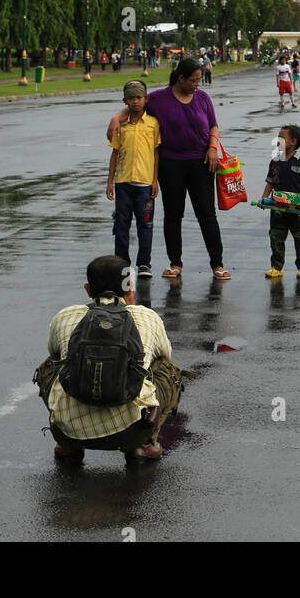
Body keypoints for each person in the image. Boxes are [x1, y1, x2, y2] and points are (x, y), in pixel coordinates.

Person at [35, 255, 187, 464]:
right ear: (129, 287)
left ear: (88, 289)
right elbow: (165, 353)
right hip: (132, 430)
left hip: (69, 430)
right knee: (166, 367)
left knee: (52, 363)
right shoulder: (146, 316)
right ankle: (145, 444)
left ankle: (68, 446)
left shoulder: (65, 315)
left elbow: (53, 351)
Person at [107, 57, 230, 280]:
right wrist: (116, 118)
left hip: (201, 163)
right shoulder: (158, 99)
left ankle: (217, 265)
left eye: (199, 80)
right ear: (180, 78)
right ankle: (175, 264)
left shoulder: (202, 98)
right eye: (193, 80)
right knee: (173, 215)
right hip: (170, 165)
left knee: (207, 215)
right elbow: (134, 106)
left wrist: (212, 147)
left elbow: (213, 124)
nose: (197, 85)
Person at [106, 80, 160, 277]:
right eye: (131, 98)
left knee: (145, 224)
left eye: (139, 98)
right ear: (125, 101)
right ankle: (122, 262)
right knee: (121, 223)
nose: (136, 102)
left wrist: (155, 181)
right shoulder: (120, 126)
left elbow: (156, 154)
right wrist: (110, 181)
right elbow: (114, 154)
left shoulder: (153, 124)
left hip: (145, 184)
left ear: (146, 99)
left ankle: (144, 264)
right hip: (123, 183)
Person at [262, 125, 300, 279]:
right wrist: (264, 198)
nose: (278, 140)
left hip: (298, 209)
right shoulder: (275, 162)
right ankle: (276, 267)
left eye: (281, 137)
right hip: (278, 208)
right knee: (276, 237)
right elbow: (270, 182)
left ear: (293, 141)